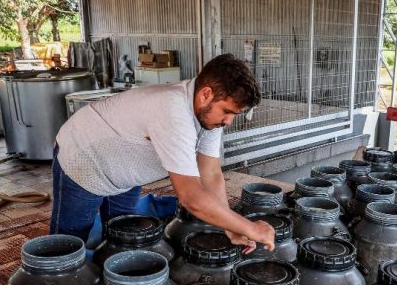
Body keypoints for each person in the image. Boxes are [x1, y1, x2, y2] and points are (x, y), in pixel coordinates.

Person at [50, 54, 275, 253]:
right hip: (84, 157)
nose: (228, 121)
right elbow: (190, 197)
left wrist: (231, 228)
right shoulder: (172, 110)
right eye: (227, 112)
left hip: (124, 172)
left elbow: (211, 174)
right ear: (206, 94)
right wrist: (250, 228)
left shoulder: (207, 117)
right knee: (69, 243)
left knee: (124, 234)